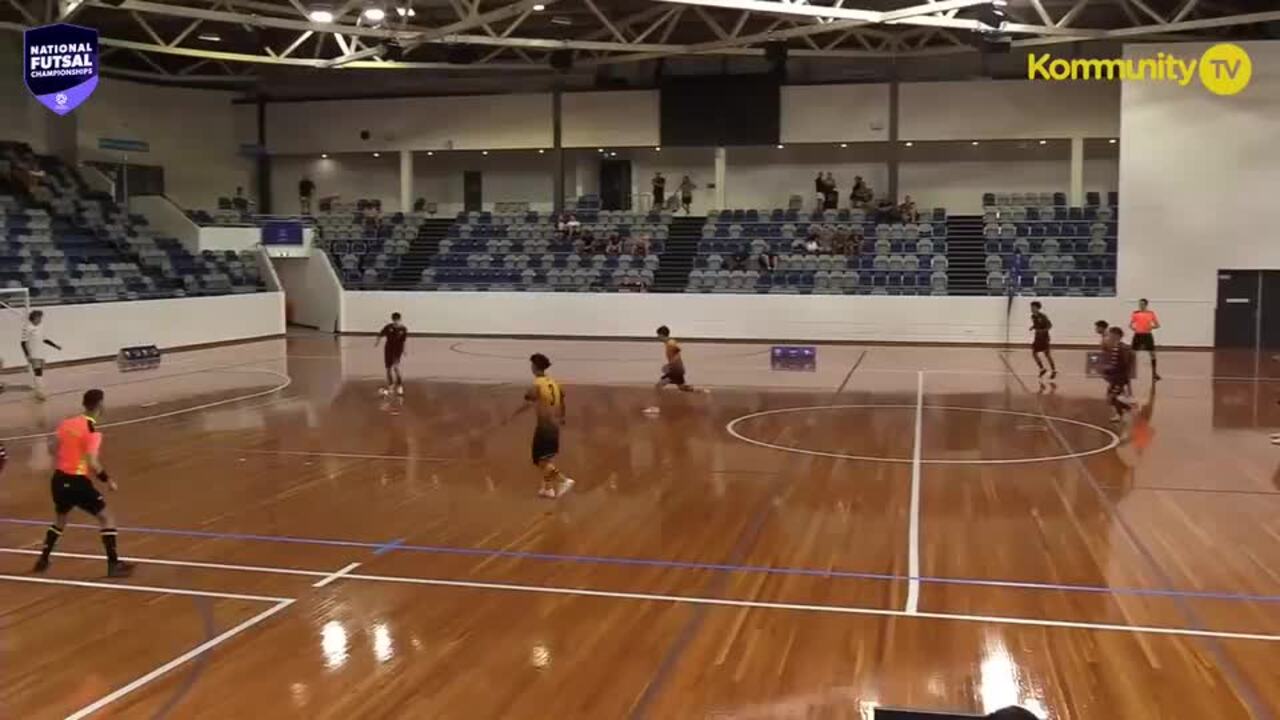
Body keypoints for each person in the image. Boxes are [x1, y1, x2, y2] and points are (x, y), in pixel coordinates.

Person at [32, 389, 134, 578]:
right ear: (100, 405)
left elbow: (53, 447)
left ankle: (43, 559)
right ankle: (114, 564)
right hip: (77, 481)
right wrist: (108, 480)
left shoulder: (66, 423)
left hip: (59, 479)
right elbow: (93, 463)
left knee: (60, 520)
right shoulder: (92, 432)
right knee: (106, 518)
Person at [511, 353, 575, 499]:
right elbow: (563, 401)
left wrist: (513, 415)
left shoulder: (537, 384)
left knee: (540, 460)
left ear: (534, 367)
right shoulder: (554, 383)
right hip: (555, 425)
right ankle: (548, 488)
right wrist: (563, 417)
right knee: (547, 458)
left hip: (544, 427)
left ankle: (563, 480)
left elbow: (527, 403)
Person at [22, 310, 62, 401]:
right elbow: (23, 342)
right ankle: (40, 393)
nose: (40, 319)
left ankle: (38, 390)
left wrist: (55, 346)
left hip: (41, 353)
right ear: (35, 318)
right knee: (38, 372)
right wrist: (27, 355)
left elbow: (45, 339)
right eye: (39, 317)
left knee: (39, 373)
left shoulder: (40, 327)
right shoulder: (28, 328)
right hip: (33, 353)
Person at [655, 326, 703, 393]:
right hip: (678, 369)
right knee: (682, 388)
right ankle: (701, 391)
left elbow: (677, 350)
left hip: (675, 370)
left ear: (662, 335)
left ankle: (662, 402)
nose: (658, 337)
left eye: (658, 335)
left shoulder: (670, 343)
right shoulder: (668, 343)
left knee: (658, 386)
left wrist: (671, 365)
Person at [1103, 327, 1136, 423]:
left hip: (1120, 378)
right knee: (1111, 396)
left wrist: (1112, 370)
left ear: (1116, 336)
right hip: (1115, 377)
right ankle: (1127, 407)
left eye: (1110, 335)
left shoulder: (1122, 348)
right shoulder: (1115, 347)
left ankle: (1121, 413)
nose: (1109, 337)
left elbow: (1125, 363)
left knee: (1114, 396)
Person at [374, 312, 408, 396]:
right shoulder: (388, 327)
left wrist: (404, 350)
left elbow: (404, 341)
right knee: (388, 369)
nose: (396, 322)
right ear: (392, 320)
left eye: (397, 320)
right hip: (388, 349)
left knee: (396, 367)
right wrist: (377, 342)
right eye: (394, 320)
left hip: (397, 350)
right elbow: (380, 334)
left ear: (400, 320)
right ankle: (391, 385)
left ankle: (400, 385)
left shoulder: (403, 329)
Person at [1129, 298, 1161, 381]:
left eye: (1142, 304)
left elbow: (1157, 325)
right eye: (1140, 304)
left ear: (1146, 305)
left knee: (1152, 353)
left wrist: (1151, 327)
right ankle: (1128, 371)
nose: (1141, 305)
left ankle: (1154, 373)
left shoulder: (1151, 313)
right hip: (1138, 335)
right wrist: (1134, 328)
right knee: (1132, 353)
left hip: (1147, 335)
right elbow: (1130, 325)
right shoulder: (1135, 313)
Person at [1028, 301, 1057, 379]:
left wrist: (1043, 331)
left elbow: (1050, 326)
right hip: (1037, 338)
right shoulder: (1033, 316)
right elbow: (1036, 324)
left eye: (1033, 307)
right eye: (1031, 307)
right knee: (1034, 353)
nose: (1032, 309)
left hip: (1044, 338)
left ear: (1038, 308)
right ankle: (1042, 369)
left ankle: (1054, 370)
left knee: (1047, 355)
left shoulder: (1043, 316)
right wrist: (1033, 327)